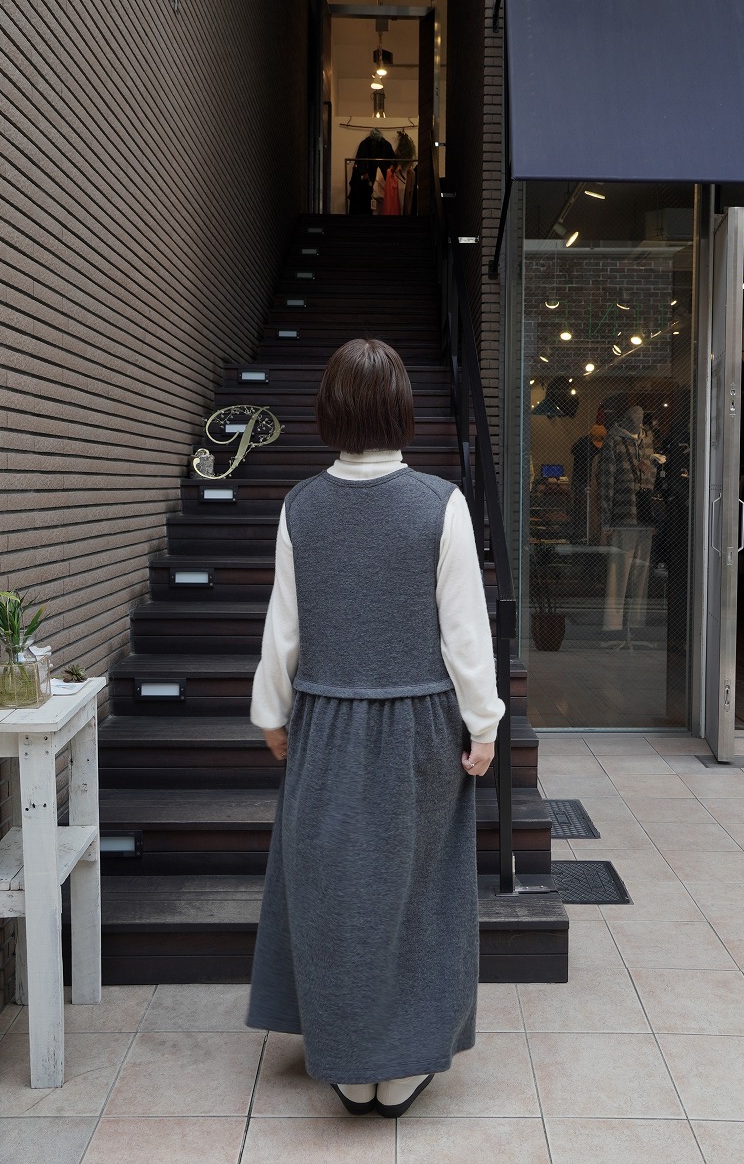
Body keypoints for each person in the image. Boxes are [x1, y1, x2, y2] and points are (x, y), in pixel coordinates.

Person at [247, 337, 504, 1119]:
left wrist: (271, 714)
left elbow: (284, 629)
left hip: (325, 721)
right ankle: (400, 1064)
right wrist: (484, 723)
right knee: (419, 893)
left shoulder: (300, 506)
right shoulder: (440, 503)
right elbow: (465, 632)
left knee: (332, 892)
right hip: (421, 724)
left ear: (328, 412)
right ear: (402, 411)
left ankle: (350, 1063)